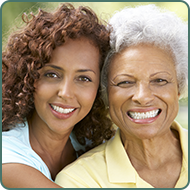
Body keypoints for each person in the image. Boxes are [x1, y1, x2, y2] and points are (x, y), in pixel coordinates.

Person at [55, 4, 188, 188]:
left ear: (179, 88)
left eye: (159, 80)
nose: (142, 97)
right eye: (125, 82)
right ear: (104, 93)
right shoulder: (79, 180)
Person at [2, 3, 115, 188]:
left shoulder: (88, 144)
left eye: (84, 78)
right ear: (29, 78)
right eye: (52, 75)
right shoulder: (6, 159)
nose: (65, 93)